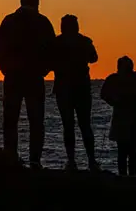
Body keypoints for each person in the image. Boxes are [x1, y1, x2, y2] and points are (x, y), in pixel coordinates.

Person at [0, 0, 56, 169]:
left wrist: (5, 68)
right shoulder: (43, 22)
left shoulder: (9, 20)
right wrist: (44, 70)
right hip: (34, 78)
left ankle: (10, 158)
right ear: (36, 3)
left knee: (10, 120)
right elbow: (52, 48)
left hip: (13, 77)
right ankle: (35, 161)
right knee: (36, 121)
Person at [52, 14, 100, 171]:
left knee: (69, 125)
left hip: (65, 88)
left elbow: (49, 61)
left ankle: (72, 161)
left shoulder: (57, 43)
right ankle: (91, 161)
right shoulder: (84, 42)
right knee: (85, 125)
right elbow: (94, 58)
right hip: (81, 88)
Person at [100, 56, 136, 176]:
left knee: (130, 151)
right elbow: (104, 94)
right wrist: (113, 101)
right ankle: (124, 176)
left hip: (134, 119)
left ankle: (130, 176)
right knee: (124, 151)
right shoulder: (116, 79)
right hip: (122, 119)